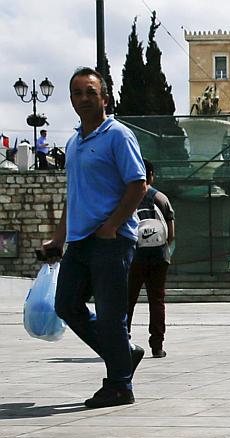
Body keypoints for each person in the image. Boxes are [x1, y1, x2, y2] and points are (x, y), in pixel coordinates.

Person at [40, 68, 149, 409]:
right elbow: (74, 195)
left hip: (111, 240)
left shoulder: (118, 135)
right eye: (77, 93)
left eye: (90, 92)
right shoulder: (73, 142)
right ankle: (123, 354)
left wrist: (112, 226)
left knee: (110, 313)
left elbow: (138, 184)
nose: (84, 99)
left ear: (105, 97)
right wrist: (58, 239)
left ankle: (119, 385)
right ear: (71, 100)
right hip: (80, 240)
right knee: (66, 305)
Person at [126, 160, 175, 359]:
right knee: (157, 301)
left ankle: (123, 341)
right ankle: (157, 345)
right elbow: (170, 232)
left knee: (127, 301)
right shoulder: (160, 198)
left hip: (134, 257)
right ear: (151, 175)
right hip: (158, 257)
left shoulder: (127, 196)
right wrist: (164, 248)